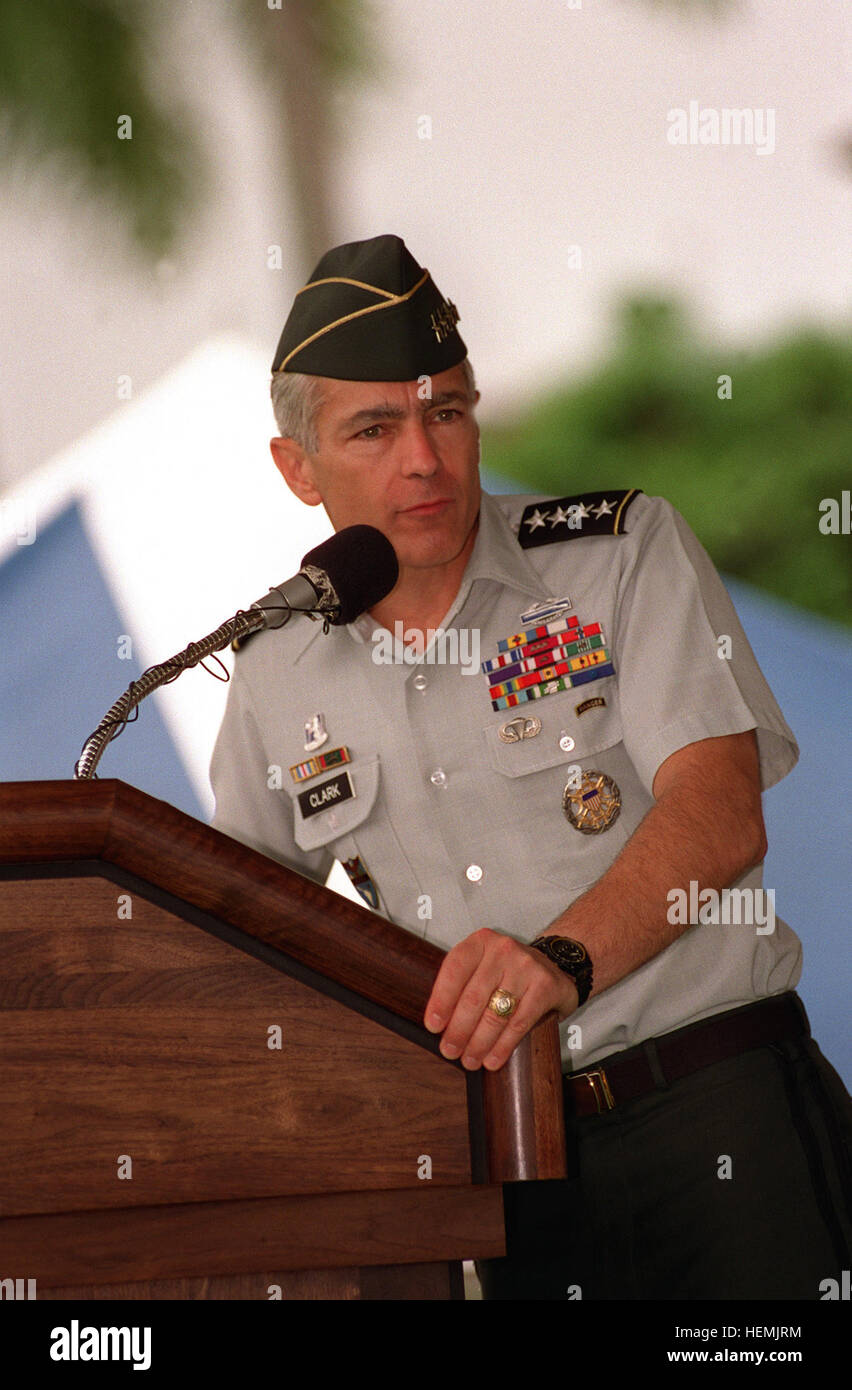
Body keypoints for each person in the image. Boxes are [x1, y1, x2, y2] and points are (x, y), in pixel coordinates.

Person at [210, 233, 852, 1299]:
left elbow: (722, 811)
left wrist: (558, 960)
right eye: (375, 427)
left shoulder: (619, 553)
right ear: (297, 468)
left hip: (715, 1108)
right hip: (508, 1177)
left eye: (446, 411)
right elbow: (240, 931)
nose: (424, 457)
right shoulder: (275, 667)